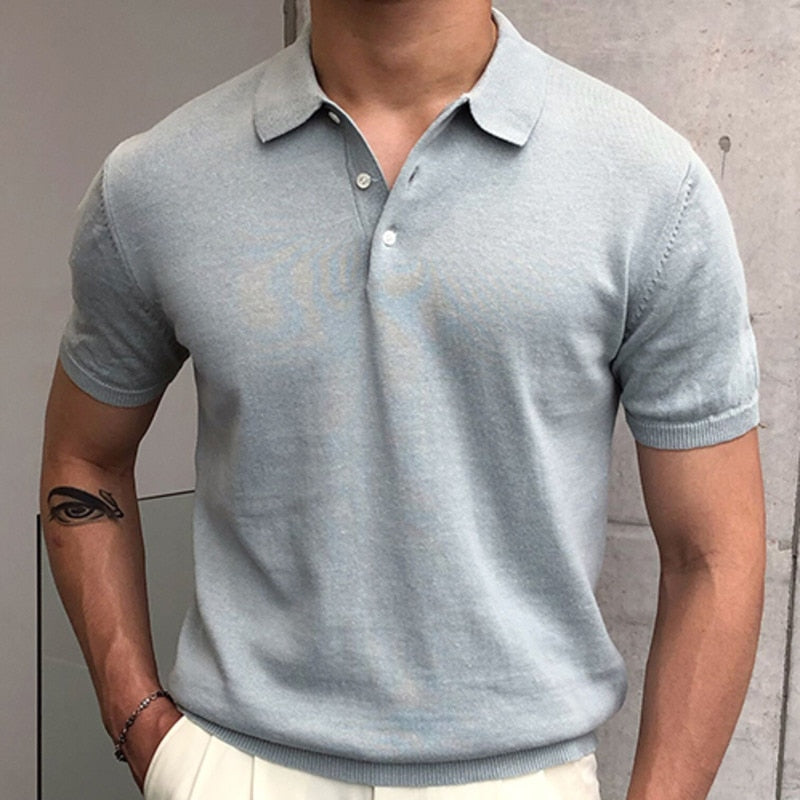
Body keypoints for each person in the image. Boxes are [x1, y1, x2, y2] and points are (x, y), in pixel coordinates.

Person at [40, 1, 766, 798]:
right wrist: (144, 726)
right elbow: (84, 457)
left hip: (521, 777)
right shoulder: (159, 183)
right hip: (234, 768)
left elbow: (715, 553)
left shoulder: (648, 185)